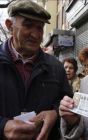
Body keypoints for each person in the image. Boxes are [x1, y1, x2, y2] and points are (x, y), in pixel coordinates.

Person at [0, 0, 72, 140]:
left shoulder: (56, 67)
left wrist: (55, 113)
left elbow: (67, 102)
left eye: (40, 28)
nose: (35, 34)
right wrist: (2, 126)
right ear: (10, 26)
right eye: (28, 26)